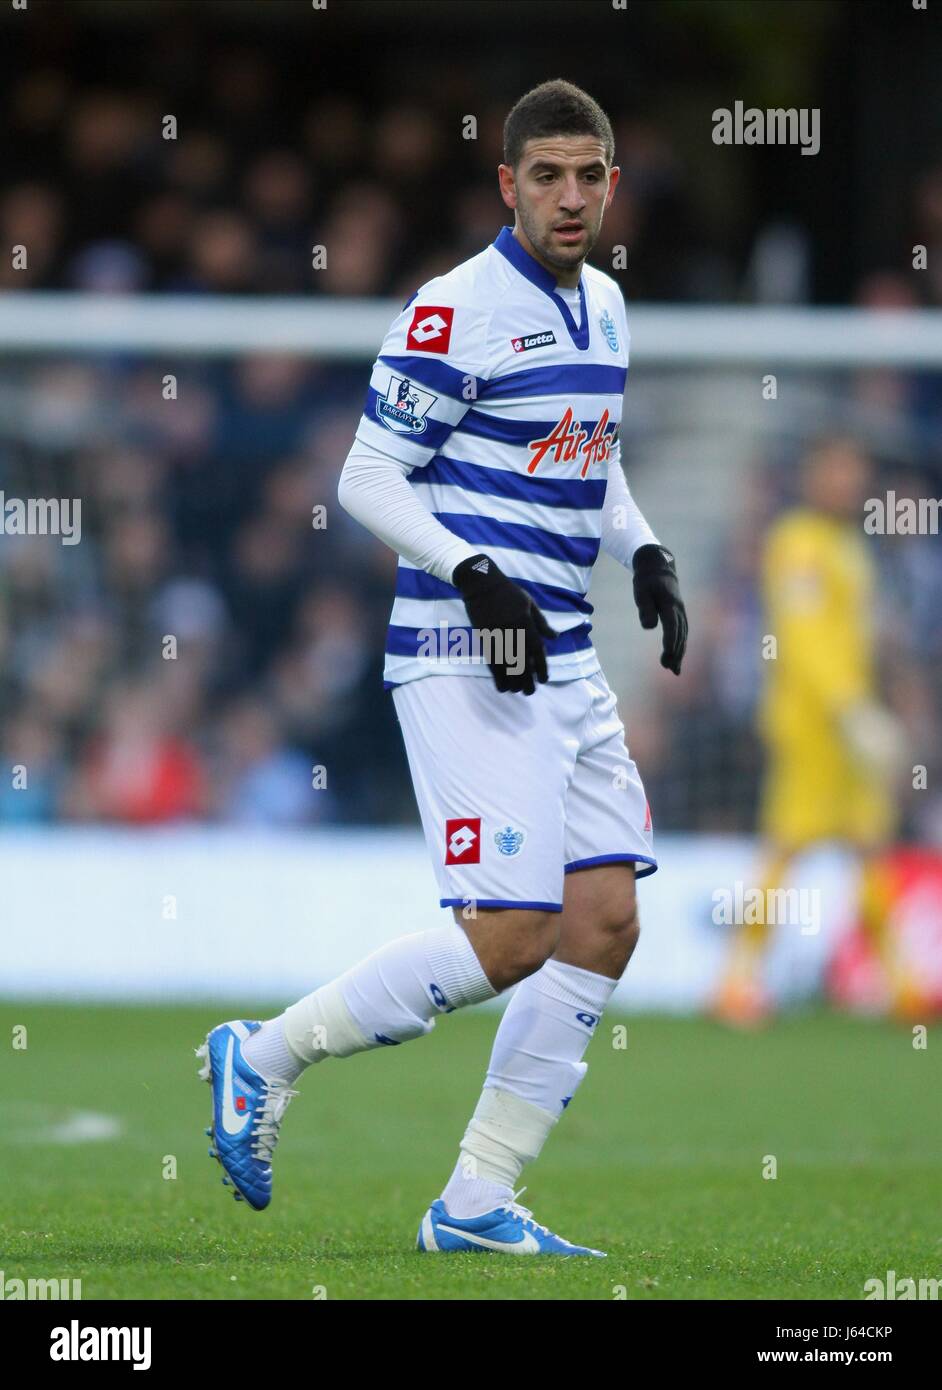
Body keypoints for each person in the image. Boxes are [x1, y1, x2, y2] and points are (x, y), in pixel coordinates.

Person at [198, 80, 687, 1256]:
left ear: (611, 186)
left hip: (561, 650)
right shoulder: (451, 309)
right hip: (464, 652)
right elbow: (367, 476)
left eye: (589, 177)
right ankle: (260, 1058)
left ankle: (473, 1202)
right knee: (514, 932)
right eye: (546, 176)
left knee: (606, 917)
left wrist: (646, 546)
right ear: (506, 185)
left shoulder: (608, 308)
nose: (570, 199)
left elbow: (591, 460)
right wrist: (475, 574)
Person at [712, 437, 910, 1026]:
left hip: (853, 723)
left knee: (870, 844)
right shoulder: (796, 542)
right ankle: (736, 982)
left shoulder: (849, 544)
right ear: (814, 473)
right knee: (787, 843)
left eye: (858, 469)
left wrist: (868, 707)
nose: (851, 481)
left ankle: (902, 984)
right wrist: (848, 708)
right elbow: (802, 638)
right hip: (812, 726)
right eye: (840, 468)